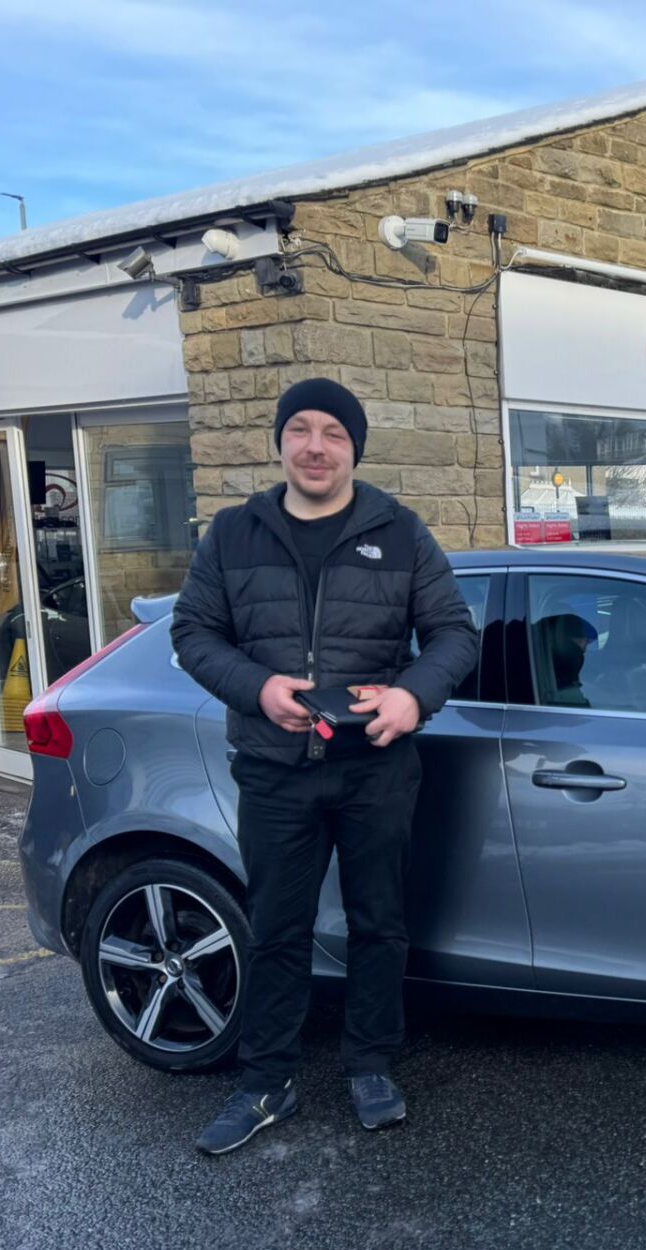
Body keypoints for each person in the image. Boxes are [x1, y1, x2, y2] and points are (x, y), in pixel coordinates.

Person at [172, 377, 478, 1155]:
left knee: (381, 923)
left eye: (333, 433)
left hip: (375, 767)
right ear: (280, 443)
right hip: (275, 769)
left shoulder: (400, 532)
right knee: (277, 928)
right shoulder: (233, 533)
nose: (315, 445)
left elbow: (454, 635)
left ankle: (371, 1063)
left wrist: (413, 695)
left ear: (354, 448)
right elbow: (194, 633)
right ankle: (265, 1080)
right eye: (300, 429)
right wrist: (258, 686)